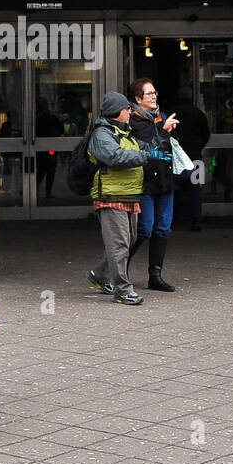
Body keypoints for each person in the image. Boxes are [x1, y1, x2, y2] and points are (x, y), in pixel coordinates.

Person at [85, 91, 149, 305]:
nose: (130, 112)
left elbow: (143, 148)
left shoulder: (125, 132)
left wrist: (162, 137)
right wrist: (145, 156)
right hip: (110, 195)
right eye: (126, 109)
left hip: (129, 195)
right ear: (116, 112)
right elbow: (115, 157)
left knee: (128, 241)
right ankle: (122, 290)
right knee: (119, 244)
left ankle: (98, 275)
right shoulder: (102, 134)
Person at [127, 77, 179, 292]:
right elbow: (143, 149)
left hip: (165, 179)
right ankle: (117, 271)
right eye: (149, 94)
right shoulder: (131, 121)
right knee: (145, 229)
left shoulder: (162, 117)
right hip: (145, 181)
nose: (154, 96)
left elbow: (170, 145)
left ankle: (155, 275)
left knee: (163, 228)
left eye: (155, 92)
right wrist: (164, 131)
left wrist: (172, 131)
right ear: (138, 99)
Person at [173, 90, 210, 231]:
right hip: (195, 157)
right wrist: (198, 147)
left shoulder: (174, 113)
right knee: (196, 189)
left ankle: (175, 216)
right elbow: (206, 134)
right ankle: (196, 219)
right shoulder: (199, 114)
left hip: (178, 158)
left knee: (175, 187)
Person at [34, 96, 64, 199]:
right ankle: (47, 192)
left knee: (42, 170)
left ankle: (35, 191)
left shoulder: (36, 118)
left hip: (41, 148)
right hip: (50, 148)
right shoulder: (51, 117)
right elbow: (61, 129)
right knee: (49, 170)